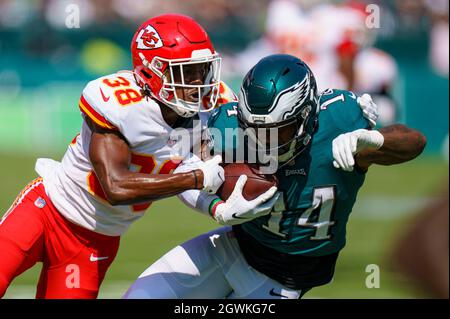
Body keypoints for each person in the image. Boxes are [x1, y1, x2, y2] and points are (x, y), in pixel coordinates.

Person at [0, 14, 273, 299]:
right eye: (185, 72)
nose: (197, 83)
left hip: (95, 241)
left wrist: (215, 207)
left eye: (202, 70)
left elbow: (197, 174)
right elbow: (116, 186)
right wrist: (195, 178)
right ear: (149, 72)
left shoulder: (210, 108)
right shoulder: (118, 102)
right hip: (47, 210)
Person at [123, 54, 426, 299]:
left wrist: (374, 141)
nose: (264, 141)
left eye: (278, 130)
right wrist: (216, 206)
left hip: (285, 277)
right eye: (254, 130)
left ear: (307, 115)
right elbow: (188, 170)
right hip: (232, 245)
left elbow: (414, 141)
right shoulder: (227, 126)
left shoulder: (339, 122)